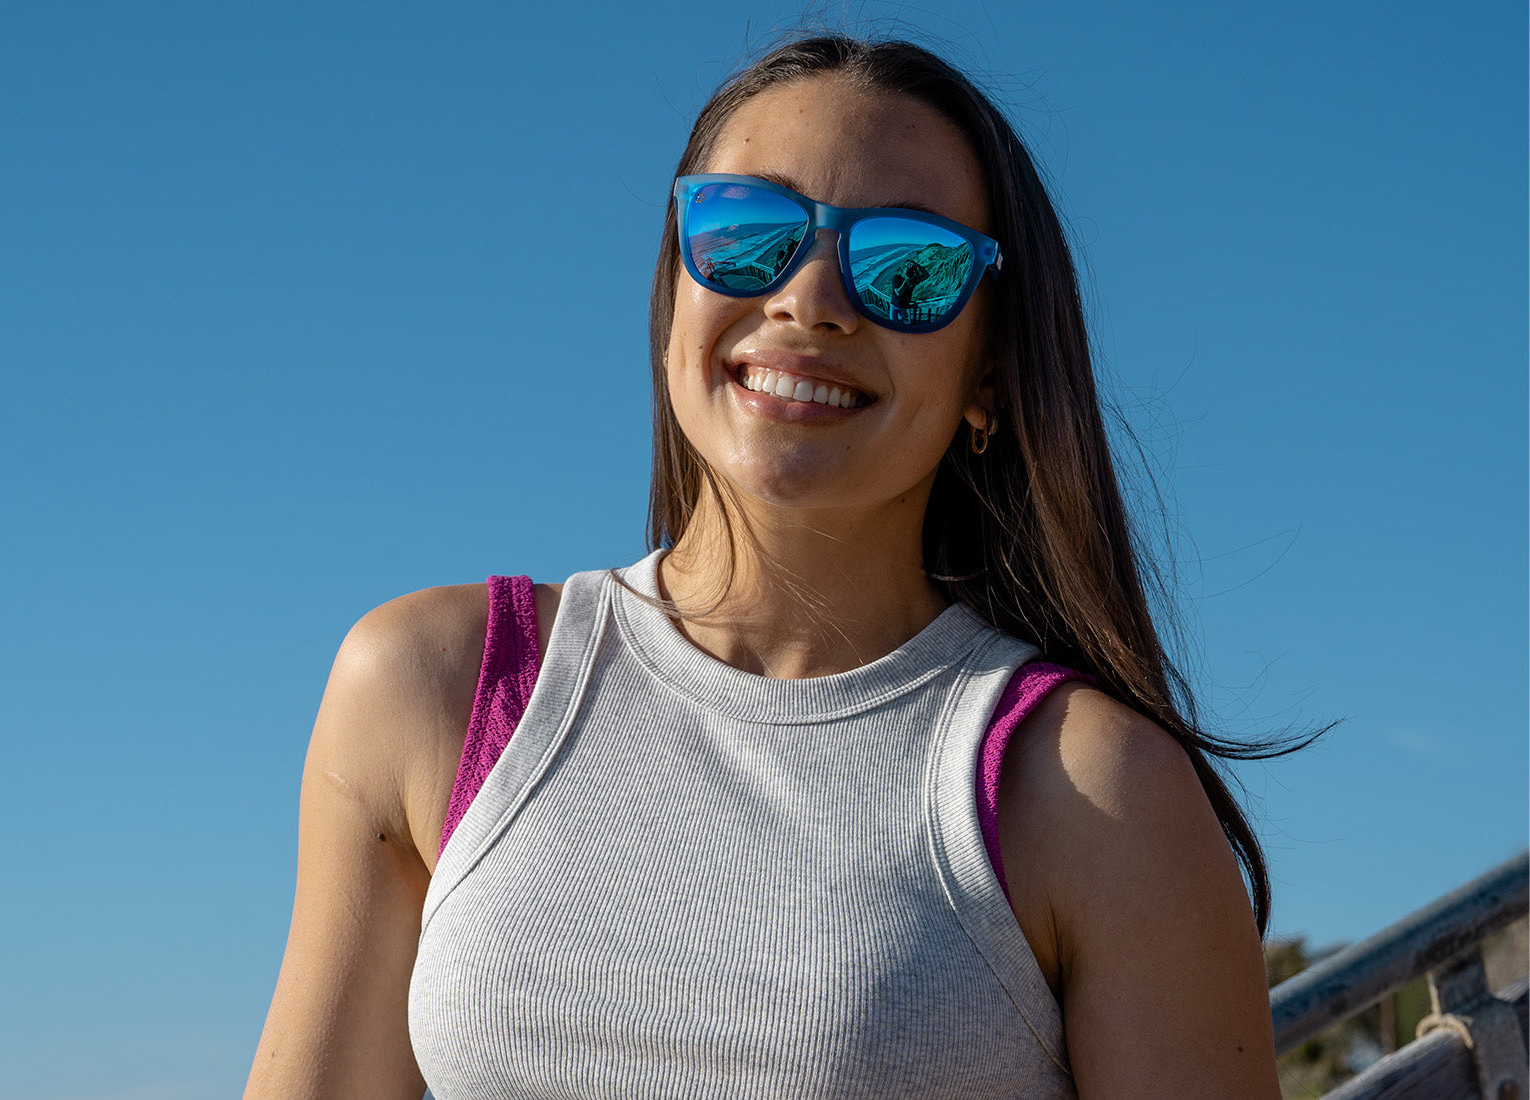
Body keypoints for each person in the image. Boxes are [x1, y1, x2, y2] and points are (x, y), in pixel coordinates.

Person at [245, 35, 1285, 1100]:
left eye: (906, 265)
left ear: (990, 375)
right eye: (747, 232)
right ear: (671, 298)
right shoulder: (434, 687)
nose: (810, 299)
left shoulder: (1092, 792)